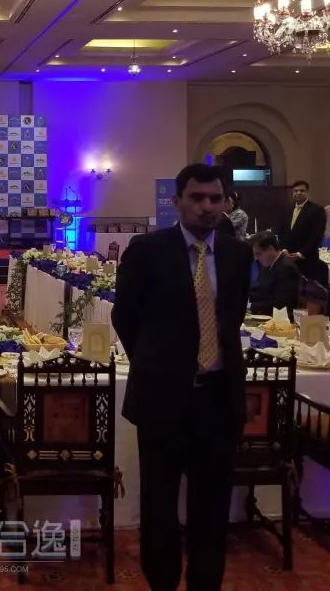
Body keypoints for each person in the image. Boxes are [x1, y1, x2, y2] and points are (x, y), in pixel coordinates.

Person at [111, 164, 253, 591]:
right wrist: (158, 365)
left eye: (215, 198)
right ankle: (163, 583)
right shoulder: (147, 251)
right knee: (160, 505)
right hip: (163, 400)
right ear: (177, 202)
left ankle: (205, 583)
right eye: (197, 198)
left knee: (212, 508)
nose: (207, 206)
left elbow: (230, 319)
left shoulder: (237, 254)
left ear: (226, 202)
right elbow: (125, 317)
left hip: (218, 400)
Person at [279, 180, 326, 280]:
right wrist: (284, 249)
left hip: (307, 258)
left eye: (302, 191)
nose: (298, 193)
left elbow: (317, 235)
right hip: (288, 257)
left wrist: (300, 254)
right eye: (295, 191)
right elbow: (281, 231)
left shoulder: (317, 210)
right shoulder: (287, 209)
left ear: (307, 192)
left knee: (307, 287)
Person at [248, 232, 301, 318]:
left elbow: (281, 305)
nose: (256, 258)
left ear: (270, 248)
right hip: (264, 314)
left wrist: (250, 307)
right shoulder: (270, 263)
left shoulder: (286, 268)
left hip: (279, 319)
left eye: (258, 254)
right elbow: (258, 289)